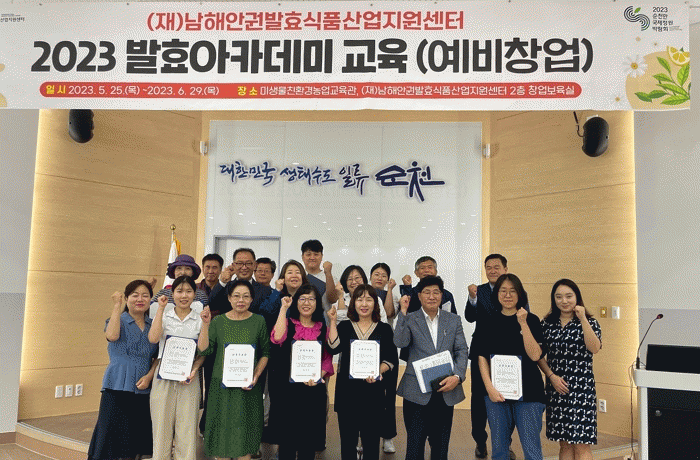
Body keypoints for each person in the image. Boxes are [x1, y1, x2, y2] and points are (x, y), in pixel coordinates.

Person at [394, 276, 469, 460]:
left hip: (446, 389)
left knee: (441, 447)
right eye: (426, 292)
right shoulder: (410, 318)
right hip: (416, 392)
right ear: (419, 296)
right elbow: (400, 342)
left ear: (442, 295)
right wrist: (402, 313)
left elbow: (461, 350)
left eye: (436, 292)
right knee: (414, 447)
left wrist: (458, 376)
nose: (431, 296)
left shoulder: (453, 320)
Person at [198, 279, 270, 460]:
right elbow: (204, 350)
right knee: (222, 432)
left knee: (245, 432)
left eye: (246, 296)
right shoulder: (218, 321)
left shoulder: (259, 321)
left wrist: (256, 375)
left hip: (248, 388)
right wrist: (205, 324)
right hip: (221, 388)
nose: (241, 300)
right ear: (229, 298)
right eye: (236, 296)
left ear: (252, 299)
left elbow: (265, 353)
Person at [88, 280, 159, 460]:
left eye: (145, 295)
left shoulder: (153, 325)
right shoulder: (118, 320)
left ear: (150, 300)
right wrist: (116, 306)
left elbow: (158, 357)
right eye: (135, 295)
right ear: (127, 298)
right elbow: (112, 336)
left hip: (142, 387)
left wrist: (149, 377)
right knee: (109, 433)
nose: (140, 299)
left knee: (133, 437)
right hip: (117, 383)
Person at [477, 274, 545, 460]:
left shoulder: (532, 320)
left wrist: (523, 323)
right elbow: (482, 357)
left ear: (520, 294)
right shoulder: (488, 321)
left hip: (529, 393)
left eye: (512, 291)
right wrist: (489, 388)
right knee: (499, 449)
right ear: (497, 294)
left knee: (532, 449)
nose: (507, 295)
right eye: (503, 291)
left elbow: (535, 355)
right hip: (497, 393)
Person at [327, 284, 398, 460]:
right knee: (347, 443)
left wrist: (378, 371)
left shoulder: (384, 329)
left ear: (375, 304)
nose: (364, 304)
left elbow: (390, 359)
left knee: (372, 443)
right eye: (359, 299)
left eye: (368, 299)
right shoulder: (344, 326)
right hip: (347, 394)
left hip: (373, 394)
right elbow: (333, 347)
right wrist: (333, 322)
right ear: (353, 303)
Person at [465, 254, 521, 460]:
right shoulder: (478, 291)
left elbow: (523, 319)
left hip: (508, 354)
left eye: (497, 267)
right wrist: (472, 299)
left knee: (507, 399)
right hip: (481, 351)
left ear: (505, 269)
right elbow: (470, 317)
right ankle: (480, 441)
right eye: (488, 267)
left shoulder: (516, 291)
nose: (492, 271)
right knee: (479, 400)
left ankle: (505, 443)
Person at [269, 285, 334, 460]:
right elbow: (277, 338)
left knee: (308, 442)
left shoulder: (322, 328)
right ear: (296, 302)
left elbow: (327, 359)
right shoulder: (288, 323)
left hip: (313, 390)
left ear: (317, 303)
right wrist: (284, 308)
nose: (307, 303)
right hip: (288, 391)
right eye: (302, 298)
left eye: (311, 299)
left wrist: (317, 376)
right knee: (287, 442)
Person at [539, 279, 602, 460]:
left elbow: (594, 348)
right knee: (564, 444)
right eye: (559, 297)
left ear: (577, 297)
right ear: (554, 299)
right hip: (556, 388)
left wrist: (582, 319)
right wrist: (551, 376)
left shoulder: (590, 322)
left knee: (581, 445)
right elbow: (538, 355)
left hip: (582, 390)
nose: (564, 301)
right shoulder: (547, 324)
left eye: (569, 296)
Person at [148, 276, 205, 460]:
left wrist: (194, 369)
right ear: (172, 294)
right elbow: (153, 338)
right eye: (179, 291)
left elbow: (203, 351)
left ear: (194, 294)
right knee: (161, 429)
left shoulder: (199, 319)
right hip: (163, 377)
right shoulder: (164, 316)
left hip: (189, 377)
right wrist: (161, 308)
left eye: (188, 291)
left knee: (187, 430)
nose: (184, 295)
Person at [369, 262, 399, 453]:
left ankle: (387, 436)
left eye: (383, 275)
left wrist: (389, 290)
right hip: (367, 347)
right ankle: (364, 436)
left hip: (387, 347)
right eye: (376, 274)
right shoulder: (363, 294)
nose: (380, 278)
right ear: (370, 276)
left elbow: (388, 313)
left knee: (388, 395)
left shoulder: (392, 295)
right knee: (367, 395)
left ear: (388, 279)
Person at [208, 248, 273, 317]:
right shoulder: (225, 287)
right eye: (240, 263)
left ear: (254, 265)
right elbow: (211, 305)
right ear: (233, 265)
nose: (244, 267)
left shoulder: (265, 290)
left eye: (248, 263)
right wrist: (222, 282)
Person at [301, 239, 340, 307]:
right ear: (302, 257)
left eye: (316, 254)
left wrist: (328, 273)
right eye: (308, 254)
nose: (312, 258)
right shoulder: (298, 277)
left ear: (322, 256)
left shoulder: (331, 278)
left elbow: (333, 300)